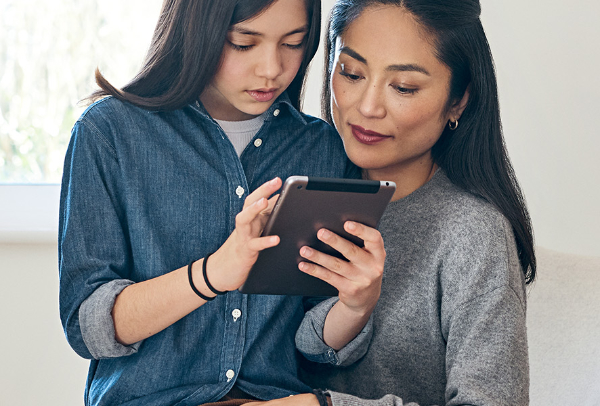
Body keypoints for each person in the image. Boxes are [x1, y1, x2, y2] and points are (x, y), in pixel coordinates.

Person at [57, 0, 373, 404]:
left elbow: (313, 345)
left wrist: (355, 306)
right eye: (244, 43)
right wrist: (212, 274)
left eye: (292, 43)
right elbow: (89, 328)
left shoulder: (323, 149)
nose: (271, 69)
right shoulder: (108, 134)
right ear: (196, 30)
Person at [245, 0, 537, 405]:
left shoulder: (474, 233)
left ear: (458, 100)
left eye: (403, 87)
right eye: (351, 73)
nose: (367, 107)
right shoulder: (294, 187)